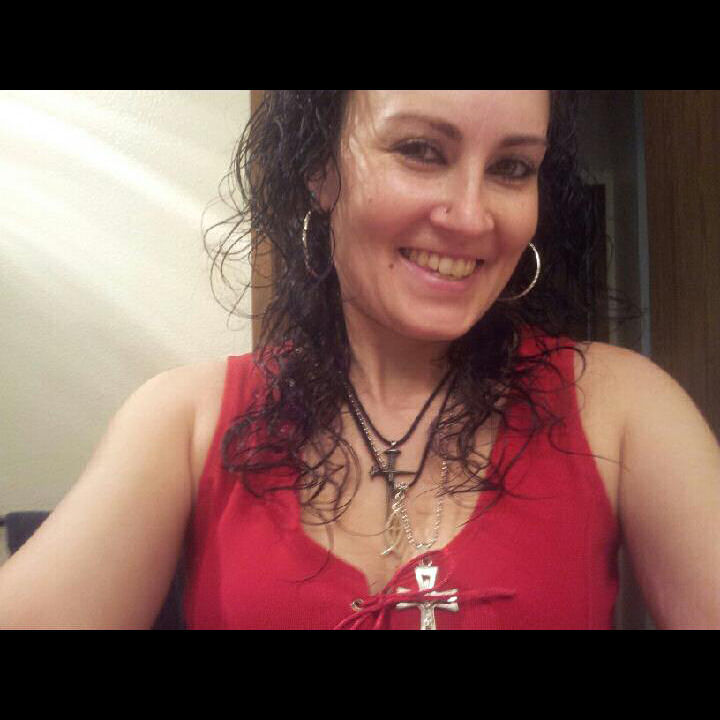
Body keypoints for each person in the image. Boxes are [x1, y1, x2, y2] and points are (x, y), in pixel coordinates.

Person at [1, 90, 718, 629]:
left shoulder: (623, 407)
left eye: (511, 167)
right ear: (321, 169)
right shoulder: (183, 421)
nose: (472, 216)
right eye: (421, 151)